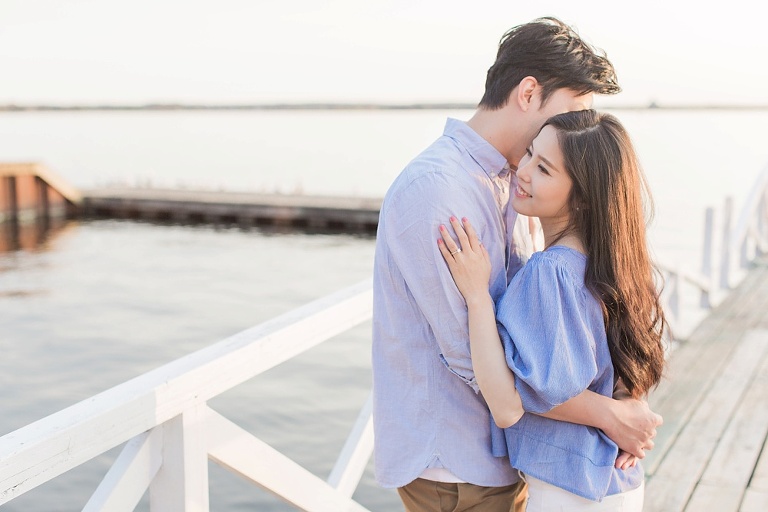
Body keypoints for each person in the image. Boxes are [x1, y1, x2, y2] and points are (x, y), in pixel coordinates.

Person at [372, 16, 662, 512]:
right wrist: (609, 414)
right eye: (570, 113)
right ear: (528, 93)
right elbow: (478, 363)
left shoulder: (517, 186)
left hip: (523, 464)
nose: (575, 132)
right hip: (459, 466)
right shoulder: (439, 191)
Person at [437, 109, 668, 511]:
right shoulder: (614, 263)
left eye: (543, 169)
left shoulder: (550, 273)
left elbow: (511, 399)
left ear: (580, 197)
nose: (522, 171)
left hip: (573, 493)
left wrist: (476, 295)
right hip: (617, 483)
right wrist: (627, 407)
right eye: (529, 153)